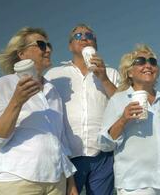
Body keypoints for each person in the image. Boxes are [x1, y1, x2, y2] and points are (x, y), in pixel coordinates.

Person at [0, 27, 77, 195]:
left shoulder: (53, 91)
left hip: (56, 180)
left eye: (49, 45)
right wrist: (17, 101)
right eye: (41, 45)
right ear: (21, 53)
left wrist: (70, 181)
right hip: (18, 178)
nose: (48, 49)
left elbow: (60, 140)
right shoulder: (4, 84)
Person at [97, 44, 160, 195]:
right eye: (140, 61)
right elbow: (105, 144)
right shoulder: (118, 100)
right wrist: (123, 119)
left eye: (152, 62)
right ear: (129, 72)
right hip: (135, 185)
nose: (148, 65)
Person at [45, 23, 119, 195]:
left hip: (104, 154)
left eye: (89, 35)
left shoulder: (112, 73)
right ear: (70, 45)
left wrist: (104, 78)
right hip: (67, 155)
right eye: (78, 36)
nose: (84, 38)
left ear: (96, 44)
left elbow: (122, 106)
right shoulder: (55, 75)